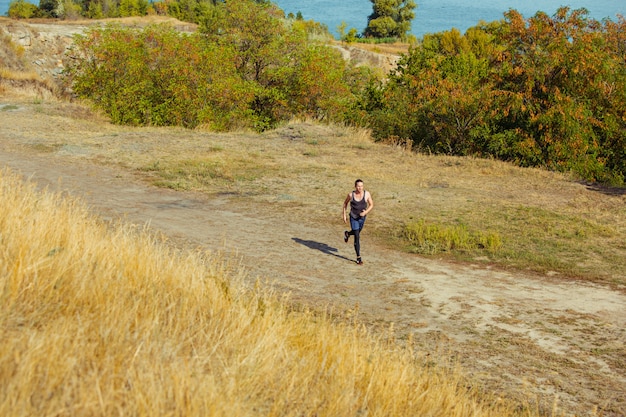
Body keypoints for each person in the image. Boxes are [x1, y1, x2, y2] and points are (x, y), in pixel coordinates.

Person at [342, 179, 374, 265]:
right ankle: (358, 257)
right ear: (355, 186)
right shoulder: (351, 195)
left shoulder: (367, 194)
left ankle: (347, 234)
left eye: (361, 186)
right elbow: (345, 204)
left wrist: (365, 212)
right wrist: (344, 215)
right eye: (358, 186)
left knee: (357, 232)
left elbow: (371, 204)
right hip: (353, 217)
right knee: (357, 236)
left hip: (362, 218)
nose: (360, 188)